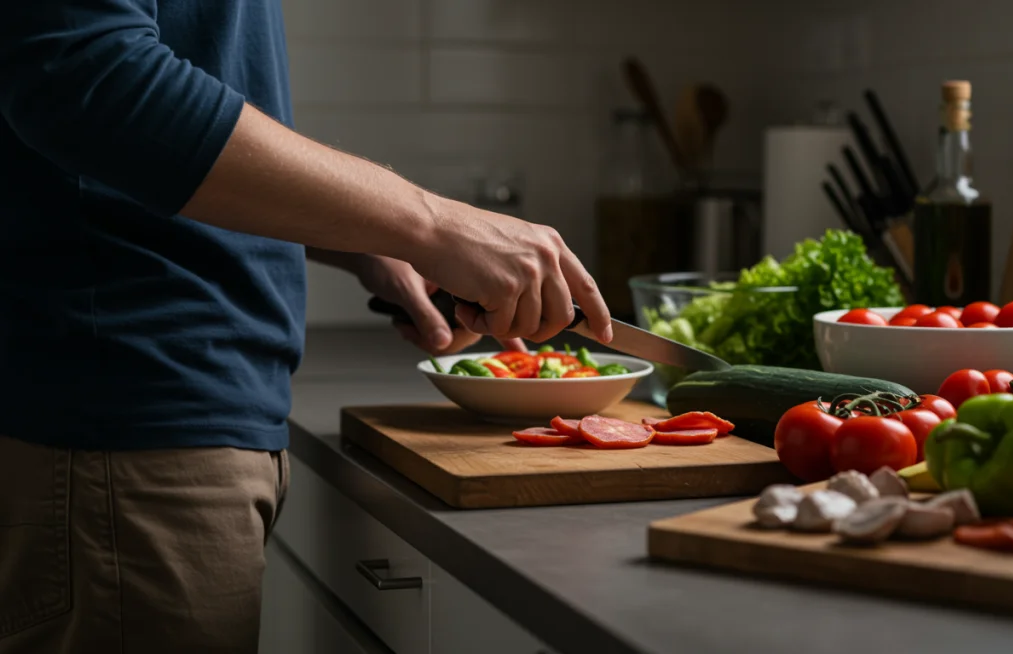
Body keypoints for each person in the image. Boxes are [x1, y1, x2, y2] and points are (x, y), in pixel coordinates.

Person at [0, 2, 612, 653]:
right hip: (127, 413)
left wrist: (364, 240)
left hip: (169, 413)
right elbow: (84, 73)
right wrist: (428, 223)